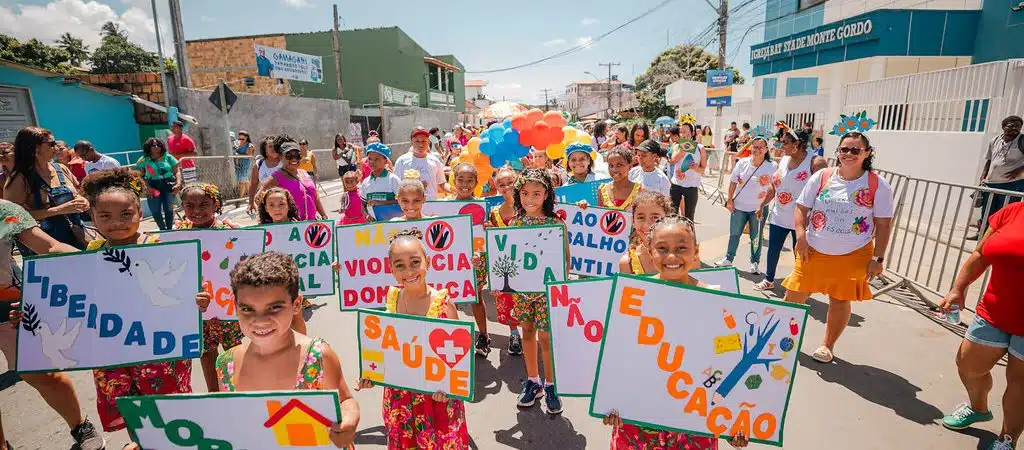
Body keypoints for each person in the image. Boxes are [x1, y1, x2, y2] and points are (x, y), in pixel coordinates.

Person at [79, 168, 202, 444]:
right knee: (131, 409)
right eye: (105, 216)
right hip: (114, 350)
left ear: (139, 211)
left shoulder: (162, 245)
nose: (117, 223)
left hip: (160, 350)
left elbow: (184, 291)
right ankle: (139, 442)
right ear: (92, 217)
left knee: (168, 411)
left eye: (126, 214)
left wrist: (198, 300)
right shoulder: (90, 252)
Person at [603, 214, 748, 450]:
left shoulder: (718, 302)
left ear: (696, 251)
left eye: (682, 248)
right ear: (650, 252)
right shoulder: (632, 298)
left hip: (694, 424)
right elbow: (617, 354)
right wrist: (607, 400)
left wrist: (734, 421)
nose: (672, 256)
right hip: (638, 423)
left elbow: (730, 360)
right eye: (662, 248)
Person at [215, 251, 359, 448]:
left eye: (274, 308)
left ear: (297, 304)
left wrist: (349, 420)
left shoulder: (318, 357)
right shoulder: (226, 365)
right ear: (235, 307)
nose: (260, 321)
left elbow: (345, 400)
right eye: (247, 309)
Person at [1, 199, 107, 450]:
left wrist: (98, 264)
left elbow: (49, 247)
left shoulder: (5, 212)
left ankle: (80, 426)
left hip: (10, 306)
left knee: (41, 373)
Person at [782, 131, 894, 363]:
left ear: (867, 153)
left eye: (855, 150)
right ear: (838, 152)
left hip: (852, 255)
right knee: (793, 295)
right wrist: (801, 236)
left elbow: (883, 224)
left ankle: (827, 345)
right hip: (811, 251)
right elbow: (801, 207)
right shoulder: (822, 176)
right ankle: (781, 339)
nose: (849, 154)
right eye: (844, 149)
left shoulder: (877, 185)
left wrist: (879, 259)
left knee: (840, 300)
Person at [356, 229, 470, 449]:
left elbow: (459, 363)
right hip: (400, 400)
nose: (408, 271)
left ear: (427, 262)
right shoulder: (390, 301)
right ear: (391, 269)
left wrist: (449, 389)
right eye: (399, 265)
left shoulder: (445, 307)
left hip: (437, 401)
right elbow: (383, 349)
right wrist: (371, 374)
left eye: (415, 262)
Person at [938, 201, 1024, 450]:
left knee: (1020, 382)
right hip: (994, 310)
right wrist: (958, 289)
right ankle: (978, 408)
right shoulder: (1011, 211)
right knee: (968, 364)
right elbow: (981, 254)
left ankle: (1007, 439)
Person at [509, 168, 570, 415]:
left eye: (536, 193)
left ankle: (551, 384)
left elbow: (565, 258)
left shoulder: (556, 223)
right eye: (525, 193)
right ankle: (533, 381)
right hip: (523, 291)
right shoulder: (514, 222)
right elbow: (507, 255)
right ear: (518, 195)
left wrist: (560, 288)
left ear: (547, 194)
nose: (530, 199)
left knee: (546, 338)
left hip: (547, 291)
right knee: (527, 333)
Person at [175, 183, 243, 392]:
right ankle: (214, 395)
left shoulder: (230, 231)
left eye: (204, 204)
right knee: (206, 353)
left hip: (227, 308)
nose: (196, 211)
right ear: (183, 208)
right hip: (198, 309)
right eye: (190, 206)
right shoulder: (177, 234)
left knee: (235, 351)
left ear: (216, 204)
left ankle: (241, 392)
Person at [754, 129, 826, 291]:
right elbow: (774, 186)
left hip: (802, 219)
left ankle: (801, 284)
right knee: (773, 250)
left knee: (800, 254)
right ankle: (769, 279)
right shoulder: (784, 160)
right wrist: (762, 204)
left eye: (785, 142)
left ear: (797, 144)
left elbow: (823, 192)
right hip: (779, 215)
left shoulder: (815, 163)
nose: (781, 145)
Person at [3, 127, 89, 252]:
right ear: (35, 148)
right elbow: (12, 219)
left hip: (78, 237)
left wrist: (82, 200)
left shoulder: (61, 168)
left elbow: (77, 192)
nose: (57, 148)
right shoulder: (19, 180)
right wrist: (58, 210)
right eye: (51, 144)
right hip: (45, 247)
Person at [716, 135, 778, 273]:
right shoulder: (742, 163)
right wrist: (730, 200)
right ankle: (728, 258)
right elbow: (733, 182)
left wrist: (763, 205)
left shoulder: (772, 166)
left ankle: (755, 262)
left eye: (760, 148)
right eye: (754, 147)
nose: (756, 150)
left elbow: (774, 188)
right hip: (739, 206)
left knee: (756, 237)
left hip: (758, 209)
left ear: (766, 149)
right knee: (734, 233)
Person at [255, 186, 311, 334]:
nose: (276, 209)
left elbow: (314, 255)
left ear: (289, 205)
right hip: (272, 285)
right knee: (275, 321)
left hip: (293, 283)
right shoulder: (260, 232)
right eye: (271, 205)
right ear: (265, 208)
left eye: (281, 204)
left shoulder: (300, 228)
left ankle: (302, 351)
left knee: (296, 317)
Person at [487, 167, 523, 355]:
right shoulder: (494, 212)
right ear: (497, 188)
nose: (507, 187)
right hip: (506, 267)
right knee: (508, 301)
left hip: (528, 265)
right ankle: (514, 333)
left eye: (511, 182)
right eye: (501, 184)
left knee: (528, 299)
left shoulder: (530, 205)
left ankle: (532, 335)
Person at [974, 115, 1024, 238]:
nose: (1015, 128)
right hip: (991, 183)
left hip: (1012, 185)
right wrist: (983, 176)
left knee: (1005, 213)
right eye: (1011, 125)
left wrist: (1019, 170)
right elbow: (989, 160)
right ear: (1003, 127)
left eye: (1018, 126)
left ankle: (998, 239)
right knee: (987, 212)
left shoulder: (1022, 141)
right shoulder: (995, 140)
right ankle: (982, 236)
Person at [258, 137, 327, 221]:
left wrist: (323, 215)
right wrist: (281, 218)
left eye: (297, 155)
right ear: (281, 157)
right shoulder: (276, 177)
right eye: (289, 155)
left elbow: (315, 197)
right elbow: (258, 198)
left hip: (311, 225)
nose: (294, 159)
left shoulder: (304, 172)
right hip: (292, 228)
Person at [133, 137, 182, 231]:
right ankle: (162, 229)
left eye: (158, 145)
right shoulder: (143, 160)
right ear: (148, 147)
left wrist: (178, 184)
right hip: (152, 186)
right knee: (155, 211)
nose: (156, 147)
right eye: (153, 145)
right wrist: (147, 188)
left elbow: (177, 171)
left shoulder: (168, 157)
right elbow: (139, 175)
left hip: (168, 184)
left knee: (168, 209)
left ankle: (169, 230)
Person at [618, 191, 671, 274]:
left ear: (668, 219)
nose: (647, 225)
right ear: (633, 221)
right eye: (641, 217)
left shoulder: (683, 257)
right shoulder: (627, 263)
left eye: (655, 217)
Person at [393, 127, 449, 200]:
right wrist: (416, 186)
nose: (420, 145)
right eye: (417, 141)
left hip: (431, 205)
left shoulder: (435, 161)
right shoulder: (402, 161)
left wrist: (456, 191)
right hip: (410, 207)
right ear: (411, 142)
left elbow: (442, 184)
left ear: (428, 142)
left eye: (423, 141)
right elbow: (396, 186)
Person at [668, 123, 707, 221]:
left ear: (692, 133)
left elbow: (702, 169)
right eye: (681, 132)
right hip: (676, 184)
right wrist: (683, 150)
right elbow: (673, 161)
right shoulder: (677, 145)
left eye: (685, 131)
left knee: (689, 217)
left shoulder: (700, 148)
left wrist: (695, 168)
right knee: (672, 215)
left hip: (691, 186)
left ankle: (690, 236)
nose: (682, 134)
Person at [359, 142, 400, 213]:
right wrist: (367, 215)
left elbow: (403, 201)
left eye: (376, 159)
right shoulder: (366, 182)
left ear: (386, 161)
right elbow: (363, 204)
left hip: (391, 222)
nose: (372, 162)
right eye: (369, 158)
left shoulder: (393, 179)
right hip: (373, 223)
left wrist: (381, 203)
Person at [247, 135, 283, 214]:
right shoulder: (258, 164)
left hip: (283, 204)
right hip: (265, 206)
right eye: (270, 146)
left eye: (275, 146)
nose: (274, 149)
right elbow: (253, 184)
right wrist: (251, 202)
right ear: (265, 149)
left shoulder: (284, 163)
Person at [233, 130, 255, 198]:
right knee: (245, 181)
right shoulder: (237, 144)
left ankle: (240, 198)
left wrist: (238, 154)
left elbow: (249, 155)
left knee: (242, 182)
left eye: (243, 139)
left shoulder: (249, 145)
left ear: (247, 138)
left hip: (245, 165)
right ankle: (251, 195)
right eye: (239, 138)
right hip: (238, 164)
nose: (241, 140)